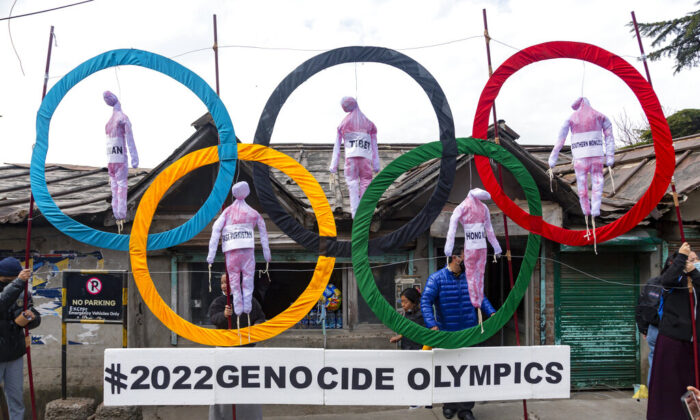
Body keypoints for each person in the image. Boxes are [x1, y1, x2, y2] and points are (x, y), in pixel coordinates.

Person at [421, 248, 496, 420]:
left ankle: (465, 409)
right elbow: (425, 300)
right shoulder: (436, 278)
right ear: (455, 258)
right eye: (465, 256)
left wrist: (492, 313)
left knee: (469, 372)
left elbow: (481, 297)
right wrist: (431, 324)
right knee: (448, 372)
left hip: (469, 333)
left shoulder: (471, 277)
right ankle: (449, 405)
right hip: (447, 335)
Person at [647, 242, 700, 420]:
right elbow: (667, 280)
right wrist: (681, 258)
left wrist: (694, 271)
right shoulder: (675, 280)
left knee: (692, 386)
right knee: (669, 385)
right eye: (689, 258)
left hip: (694, 342)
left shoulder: (696, 277)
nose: (692, 261)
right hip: (672, 339)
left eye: (695, 259)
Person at [208, 273, 265, 420]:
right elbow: (214, 318)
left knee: (247, 387)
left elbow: (260, 317)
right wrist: (224, 315)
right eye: (222, 283)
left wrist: (257, 326)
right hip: (224, 351)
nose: (224, 286)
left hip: (247, 351)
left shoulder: (249, 301)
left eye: (228, 282)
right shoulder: (219, 302)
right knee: (223, 388)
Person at [0, 257, 40, 420]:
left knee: (16, 399)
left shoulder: (23, 292)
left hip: (15, 352)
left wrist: (30, 318)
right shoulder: (17, 287)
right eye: (7, 280)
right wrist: (17, 283)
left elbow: (35, 316)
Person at [329, 96, 380, 218]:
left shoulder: (343, 124)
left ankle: (355, 213)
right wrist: (376, 165)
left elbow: (337, 146)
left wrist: (333, 166)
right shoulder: (369, 124)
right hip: (365, 158)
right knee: (366, 181)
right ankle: (364, 211)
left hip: (351, 157)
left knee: (352, 183)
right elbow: (374, 145)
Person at [103, 91, 138, 232]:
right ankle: (120, 214)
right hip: (120, 158)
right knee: (121, 186)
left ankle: (117, 213)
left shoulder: (109, 122)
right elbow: (130, 139)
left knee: (114, 187)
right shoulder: (122, 118)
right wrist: (135, 160)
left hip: (111, 159)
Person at [635, 256, 671, 385]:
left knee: (654, 363)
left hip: (652, 329)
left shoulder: (651, 282)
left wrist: (644, 329)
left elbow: (641, 306)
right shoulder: (676, 285)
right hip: (668, 330)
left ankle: (654, 397)